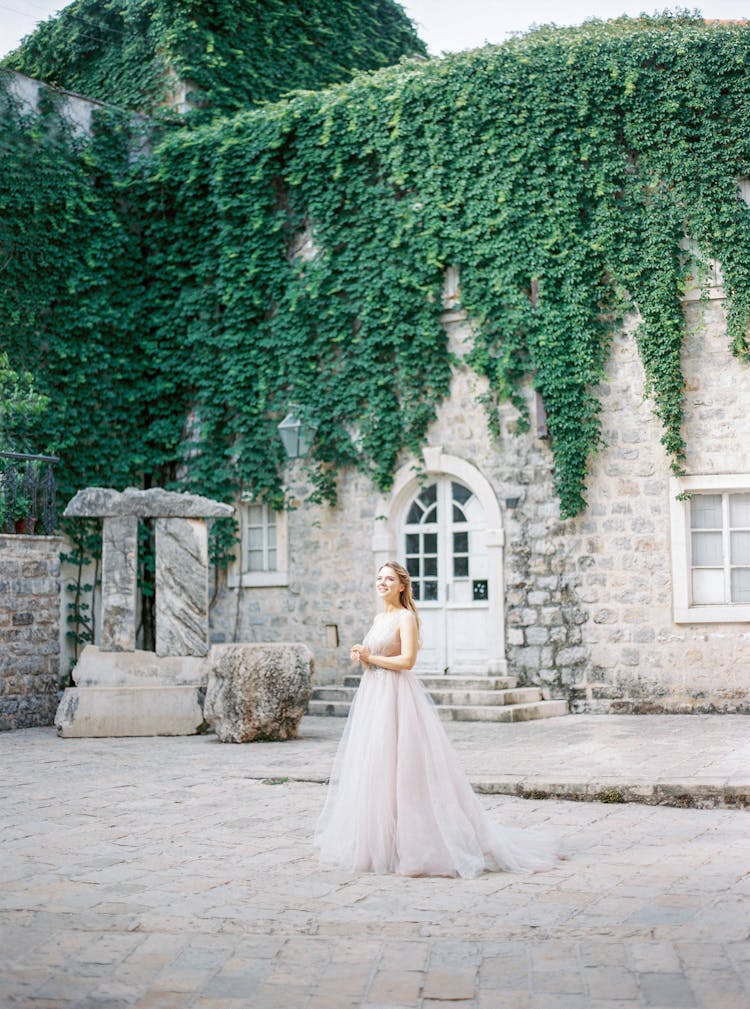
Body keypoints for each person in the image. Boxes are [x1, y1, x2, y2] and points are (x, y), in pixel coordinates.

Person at [314, 560, 559, 878]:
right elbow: (373, 662)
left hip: (398, 696)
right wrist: (362, 656)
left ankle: (420, 841)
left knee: (405, 766)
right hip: (374, 696)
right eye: (378, 578)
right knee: (377, 765)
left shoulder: (406, 617)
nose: (382, 583)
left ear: (402, 585)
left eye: (389, 579)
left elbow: (408, 660)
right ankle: (384, 841)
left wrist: (371, 657)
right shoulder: (378, 618)